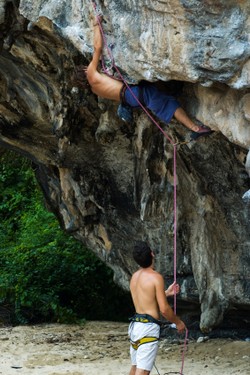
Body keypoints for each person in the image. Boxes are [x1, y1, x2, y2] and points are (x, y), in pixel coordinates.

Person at [82, 15, 213, 141]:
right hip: (133, 94)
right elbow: (97, 47)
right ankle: (195, 129)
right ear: (84, 72)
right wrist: (95, 25)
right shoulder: (91, 74)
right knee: (167, 104)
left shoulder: (95, 89)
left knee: (162, 95)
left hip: (131, 99)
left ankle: (177, 94)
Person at [129, 241, 186, 375]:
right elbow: (164, 310)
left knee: (135, 367)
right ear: (152, 254)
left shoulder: (134, 277)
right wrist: (178, 322)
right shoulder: (156, 277)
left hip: (135, 327)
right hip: (147, 328)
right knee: (142, 371)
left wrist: (166, 293)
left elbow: (146, 299)